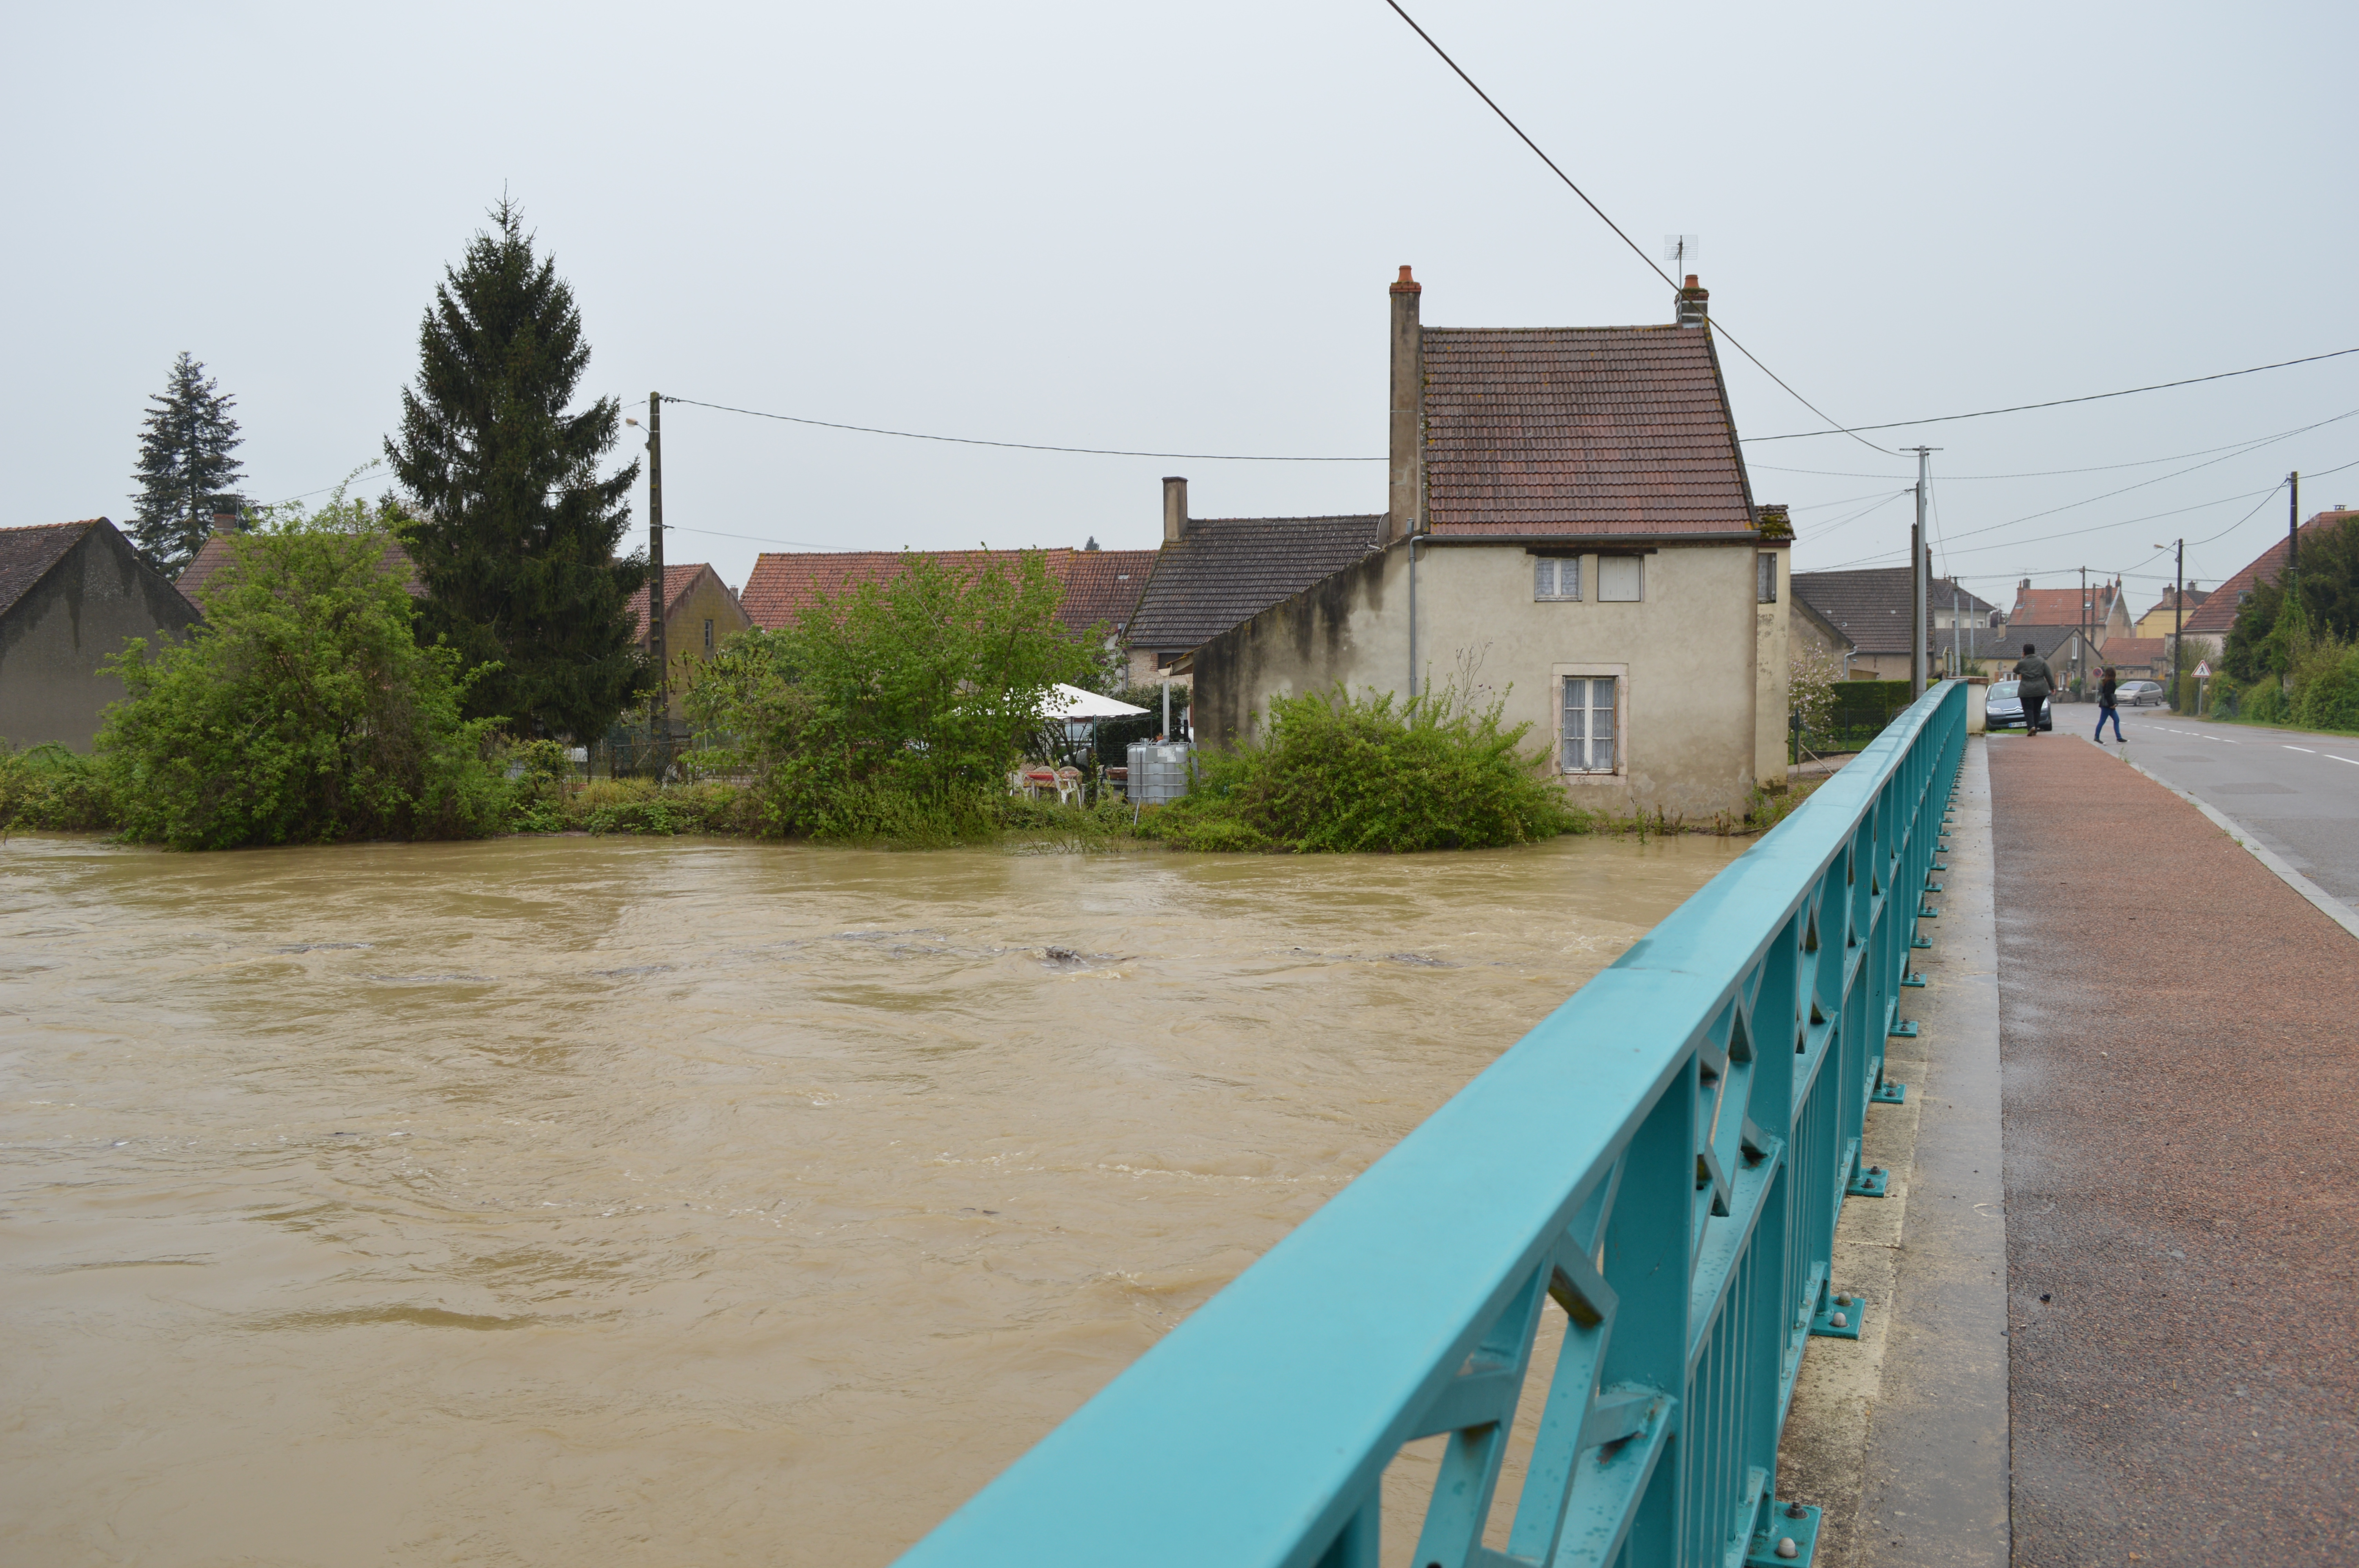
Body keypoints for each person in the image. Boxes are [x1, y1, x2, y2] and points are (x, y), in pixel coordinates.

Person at [2013, 642, 2054, 736]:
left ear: (2024, 652)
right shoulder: (2042, 661)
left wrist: (2022, 659)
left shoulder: (2022, 663)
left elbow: (2015, 671)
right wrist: (2052, 687)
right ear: (2034, 651)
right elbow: (2049, 675)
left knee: (2028, 709)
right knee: (2037, 709)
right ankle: (2035, 728)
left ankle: (2031, 726)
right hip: (2041, 690)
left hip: (2026, 690)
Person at [2095, 665, 2124, 743]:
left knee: (2117, 720)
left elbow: (2104, 693)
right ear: (2113, 674)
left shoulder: (2105, 682)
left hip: (2106, 705)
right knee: (2102, 721)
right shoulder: (2111, 683)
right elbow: (2108, 694)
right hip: (2108, 706)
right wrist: (2112, 705)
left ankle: (2119, 737)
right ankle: (2097, 737)